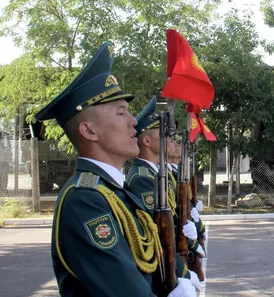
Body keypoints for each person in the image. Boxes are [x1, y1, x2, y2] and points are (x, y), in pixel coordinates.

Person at [35, 42, 195, 297]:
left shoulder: (115, 192)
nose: (133, 122)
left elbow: (154, 250)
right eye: (121, 113)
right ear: (89, 131)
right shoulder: (85, 200)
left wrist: (182, 276)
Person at [125, 96, 203, 289]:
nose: (168, 141)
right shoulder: (142, 178)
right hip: (164, 265)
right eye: (162, 136)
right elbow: (157, 233)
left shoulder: (155, 174)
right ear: (146, 141)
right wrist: (182, 271)